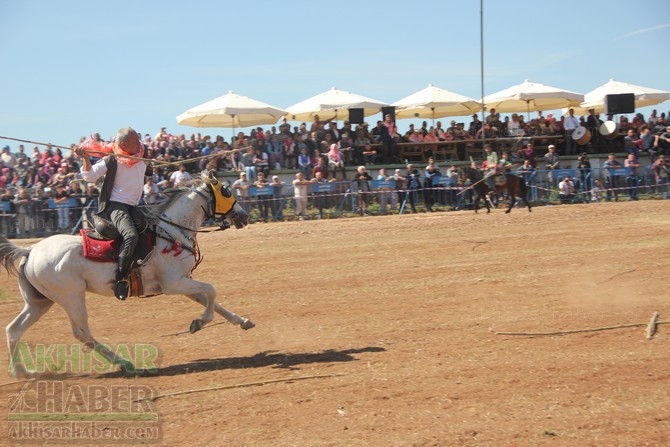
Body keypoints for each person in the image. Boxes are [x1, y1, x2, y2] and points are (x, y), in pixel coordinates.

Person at [75, 127, 151, 301]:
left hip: (133, 205)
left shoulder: (140, 155)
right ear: (124, 144)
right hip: (116, 206)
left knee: (152, 230)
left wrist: (148, 160)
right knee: (131, 235)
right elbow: (89, 177)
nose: (139, 143)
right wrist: (86, 158)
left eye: (139, 140)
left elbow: (149, 170)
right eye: (135, 141)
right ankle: (121, 279)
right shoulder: (112, 160)